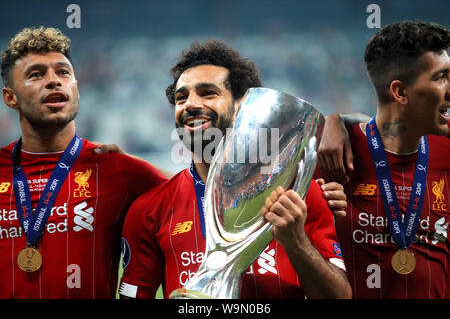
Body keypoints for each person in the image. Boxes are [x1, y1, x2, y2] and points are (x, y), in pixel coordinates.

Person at [119, 39, 352, 299]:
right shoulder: (150, 210)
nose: (190, 104)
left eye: (207, 93)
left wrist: (296, 243)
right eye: (181, 97)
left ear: (243, 107)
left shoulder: (299, 196)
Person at [0, 26, 168, 298]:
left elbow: (197, 198)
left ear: (76, 87)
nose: (54, 81)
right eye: (36, 75)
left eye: (63, 72)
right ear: (10, 97)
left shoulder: (116, 168)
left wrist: (136, 164)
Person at [316, 21, 450, 298]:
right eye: (441, 77)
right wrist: (335, 121)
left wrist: (338, 117)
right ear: (400, 92)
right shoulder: (333, 156)